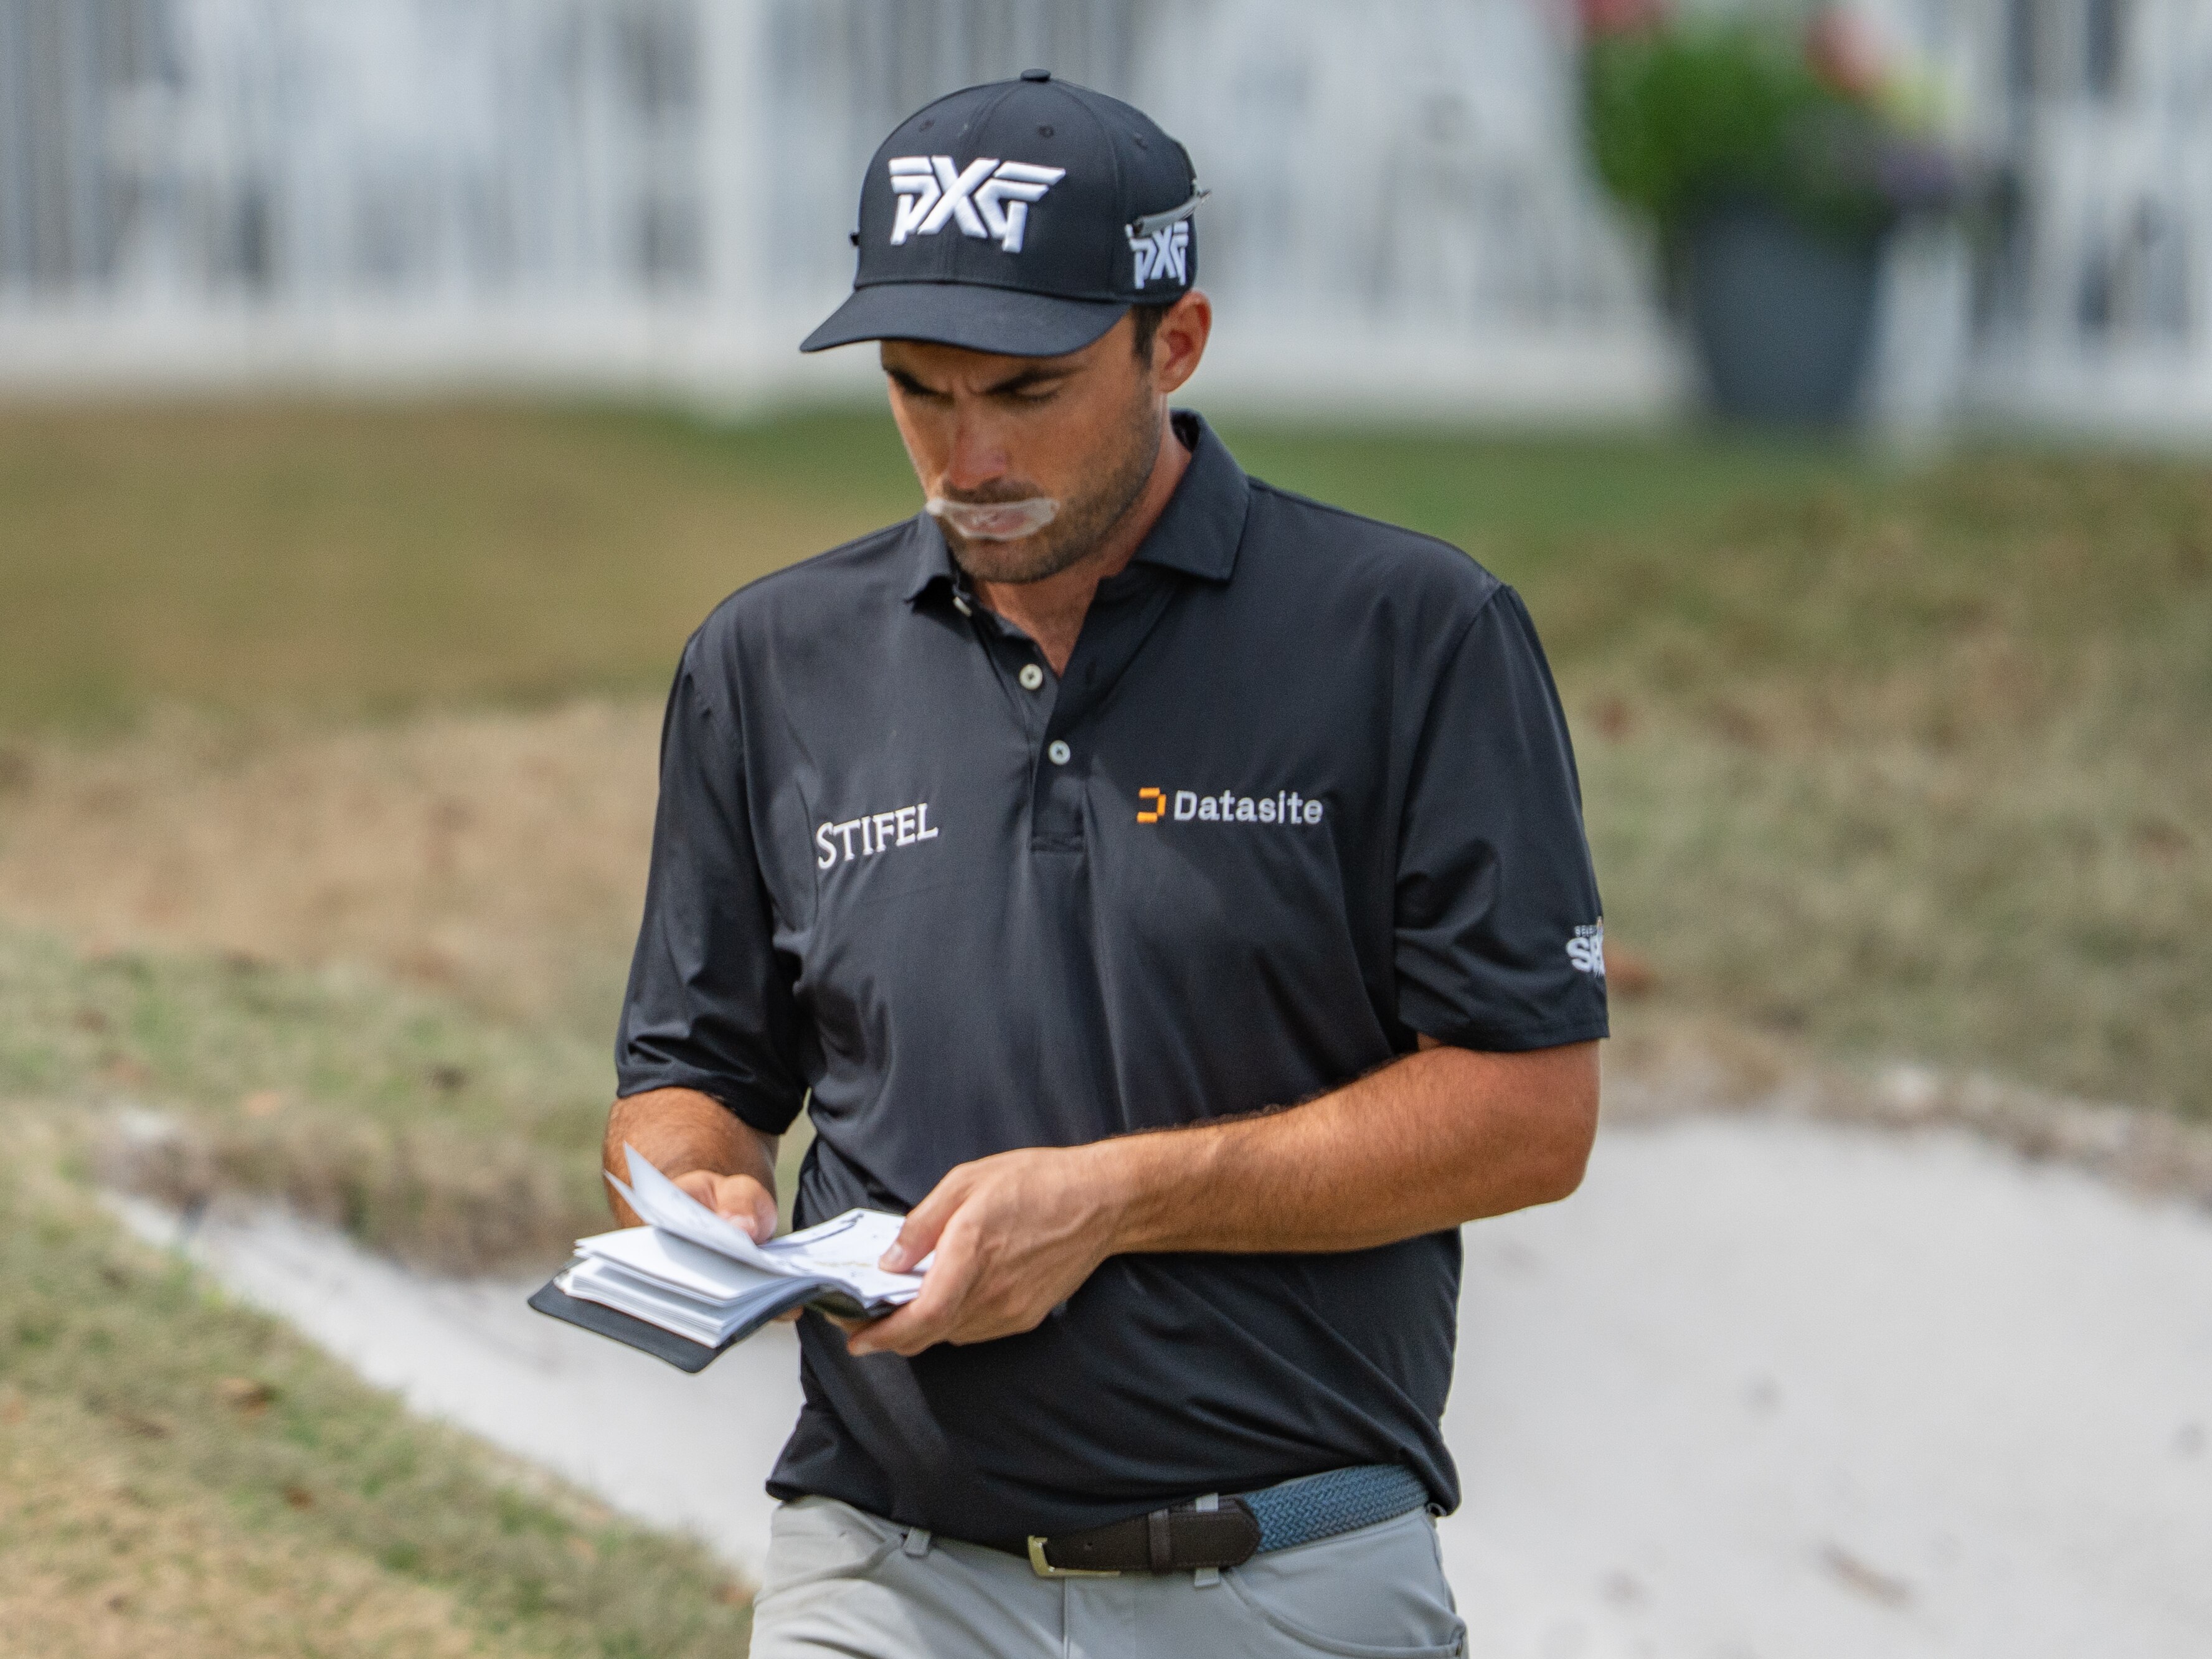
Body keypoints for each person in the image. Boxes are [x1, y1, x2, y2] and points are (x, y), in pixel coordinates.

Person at [605, 70, 1607, 1658]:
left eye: (1027, 390)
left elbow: (1530, 1115)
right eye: (920, 388)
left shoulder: (1413, 636)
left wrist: (1120, 1201)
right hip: (880, 1576)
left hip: (1288, 1579)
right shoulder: (767, 661)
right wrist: (695, 1188)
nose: (967, 453)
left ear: (1176, 342)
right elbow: (691, 1073)